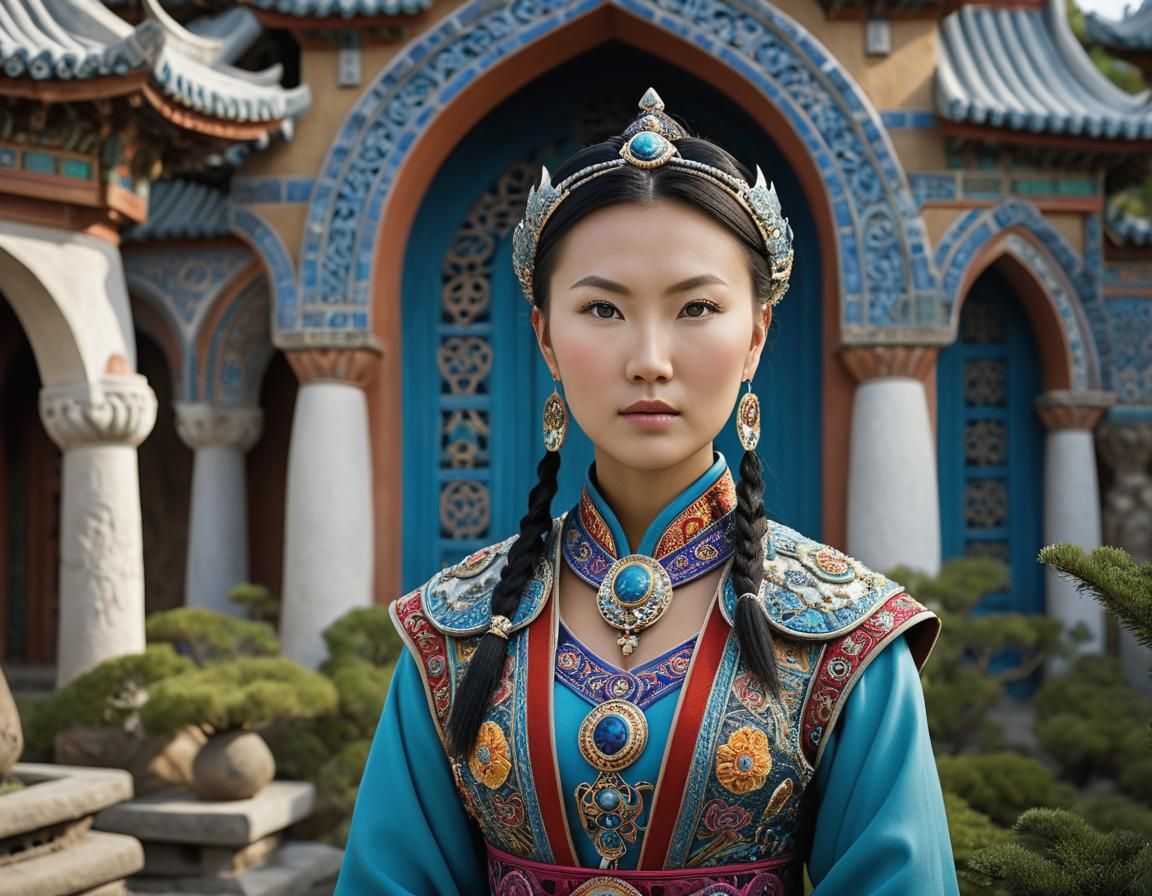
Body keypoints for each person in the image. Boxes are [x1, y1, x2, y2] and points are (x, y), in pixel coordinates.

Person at [334, 88, 959, 896]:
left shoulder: (846, 640)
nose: (650, 359)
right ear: (545, 338)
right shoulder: (453, 633)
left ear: (757, 337)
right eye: (602, 308)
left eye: (697, 307)